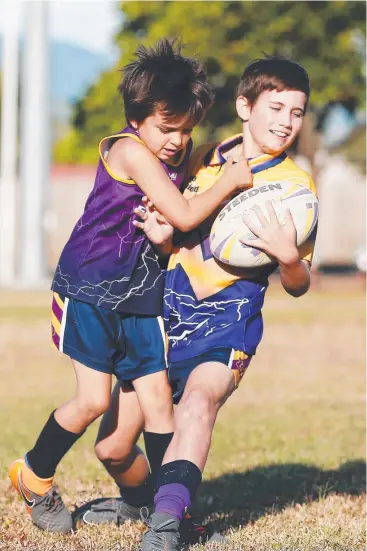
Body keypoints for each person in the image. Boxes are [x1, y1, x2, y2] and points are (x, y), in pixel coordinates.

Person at [8, 38, 252, 534]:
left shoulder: (175, 152)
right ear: (137, 117)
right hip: (91, 291)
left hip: (142, 297)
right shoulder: (130, 151)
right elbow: (183, 213)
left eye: (186, 130)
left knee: (160, 402)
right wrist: (229, 181)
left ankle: (169, 512)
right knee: (94, 400)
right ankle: (33, 475)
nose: (177, 141)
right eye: (167, 127)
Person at [84, 54, 318, 551]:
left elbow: (298, 282)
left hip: (227, 322)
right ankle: (143, 500)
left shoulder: (296, 190)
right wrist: (161, 234)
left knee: (197, 402)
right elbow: (176, 227)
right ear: (244, 106)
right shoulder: (202, 155)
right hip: (163, 316)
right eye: (275, 107)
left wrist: (288, 258)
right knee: (112, 448)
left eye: (296, 113)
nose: (285, 122)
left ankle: (169, 523)